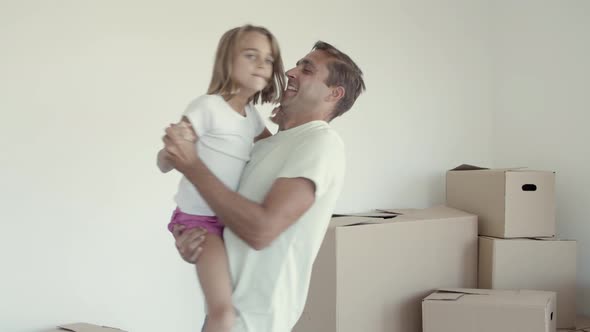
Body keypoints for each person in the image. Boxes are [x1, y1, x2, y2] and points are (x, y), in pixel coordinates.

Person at [164, 40, 365, 332]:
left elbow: (261, 231)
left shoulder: (321, 142)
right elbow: (232, 222)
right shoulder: (264, 147)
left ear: (334, 93)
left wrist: (193, 166)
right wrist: (195, 243)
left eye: (307, 69)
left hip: (257, 323)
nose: (291, 72)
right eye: (297, 64)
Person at [156, 24, 286, 332]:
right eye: (251, 55)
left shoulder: (252, 116)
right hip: (202, 224)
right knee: (223, 312)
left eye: (268, 60)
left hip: (233, 221)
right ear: (227, 61)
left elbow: (274, 149)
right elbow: (164, 162)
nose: (261, 65)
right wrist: (172, 148)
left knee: (242, 306)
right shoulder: (207, 107)